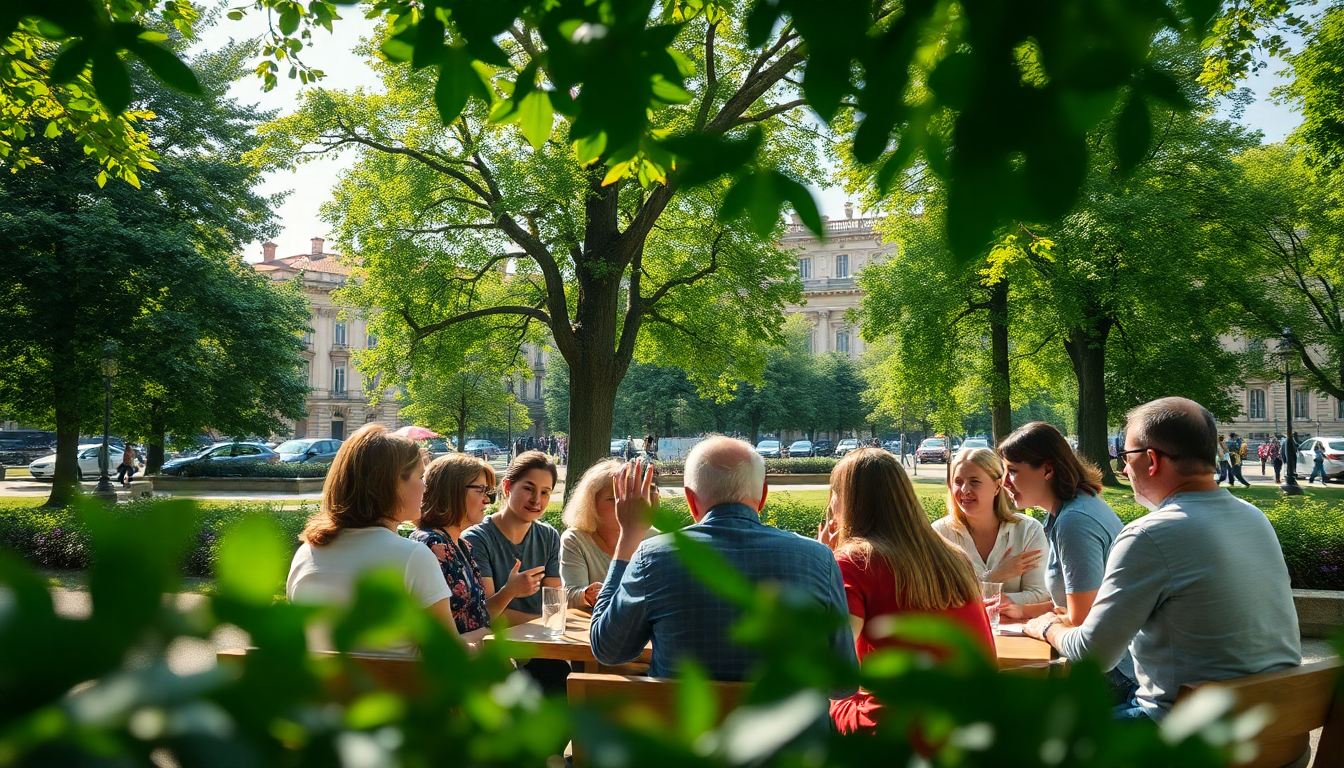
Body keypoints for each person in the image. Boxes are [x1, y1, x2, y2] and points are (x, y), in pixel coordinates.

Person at [1025, 397, 1301, 722]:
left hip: (1185, 738)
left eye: (1125, 456)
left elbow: (1094, 655)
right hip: (1279, 733)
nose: (1124, 467)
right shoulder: (1254, 518)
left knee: (1029, 733)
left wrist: (1048, 628)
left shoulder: (1149, 535)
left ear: (1151, 460)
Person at [590, 437, 858, 685]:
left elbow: (608, 650)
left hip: (688, 735)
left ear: (691, 501)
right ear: (762, 496)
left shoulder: (653, 557)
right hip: (791, 736)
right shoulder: (818, 558)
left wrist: (630, 535)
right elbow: (842, 682)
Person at [816, 448, 993, 735]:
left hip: (899, 731)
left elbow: (835, 670)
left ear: (846, 500)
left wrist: (824, 564)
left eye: (833, 493)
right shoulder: (954, 556)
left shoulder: (854, 562)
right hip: (973, 724)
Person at [286, 424, 464, 653]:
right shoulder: (413, 557)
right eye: (420, 476)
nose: (425, 487)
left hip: (321, 688)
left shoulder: (306, 553)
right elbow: (449, 654)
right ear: (392, 484)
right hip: (393, 688)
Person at [995, 422, 1136, 701]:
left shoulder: (1074, 521)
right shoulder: (1072, 508)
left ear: (1047, 469)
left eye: (1012, 470)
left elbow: (1082, 622)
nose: (1004, 482)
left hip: (1116, 678)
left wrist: (1044, 625)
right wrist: (1023, 611)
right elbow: (1080, 602)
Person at [461, 450, 565, 689]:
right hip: (495, 650)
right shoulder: (477, 539)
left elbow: (553, 601)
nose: (536, 500)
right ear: (507, 487)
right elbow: (490, 613)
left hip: (542, 646)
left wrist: (551, 621)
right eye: (528, 488)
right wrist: (547, 622)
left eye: (545, 492)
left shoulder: (548, 536)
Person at [412, 454, 543, 639]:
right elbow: (434, 635)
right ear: (453, 491)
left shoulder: (463, 545)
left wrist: (509, 591)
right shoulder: (432, 546)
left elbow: (476, 618)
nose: (487, 500)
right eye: (480, 490)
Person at [932, 448, 1050, 606]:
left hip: (1018, 630)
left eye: (974, 481)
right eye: (958, 482)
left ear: (997, 486)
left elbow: (1040, 594)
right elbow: (939, 597)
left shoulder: (1028, 530)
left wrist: (989, 602)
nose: (965, 490)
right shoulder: (940, 533)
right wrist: (994, 577)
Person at [559, 458, 653, 610]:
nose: (624, 504)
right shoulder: (575, 540)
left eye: (630, 497)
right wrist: (586, 595)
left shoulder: (654, 539)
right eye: (614, 499)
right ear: (591, 504)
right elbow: (569, 597)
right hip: (591, 628)